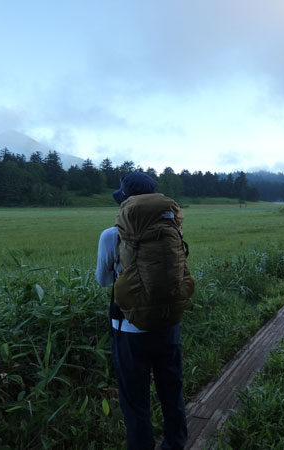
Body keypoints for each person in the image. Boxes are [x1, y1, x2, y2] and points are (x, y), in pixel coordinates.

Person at [96, 172, 188, 450]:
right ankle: (176, 444)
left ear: (124, 200)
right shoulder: (173, 230)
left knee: (135, 402)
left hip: (128, 329)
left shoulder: (111, 235)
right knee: (172, 391)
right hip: (168, 323)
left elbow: (103, 281)